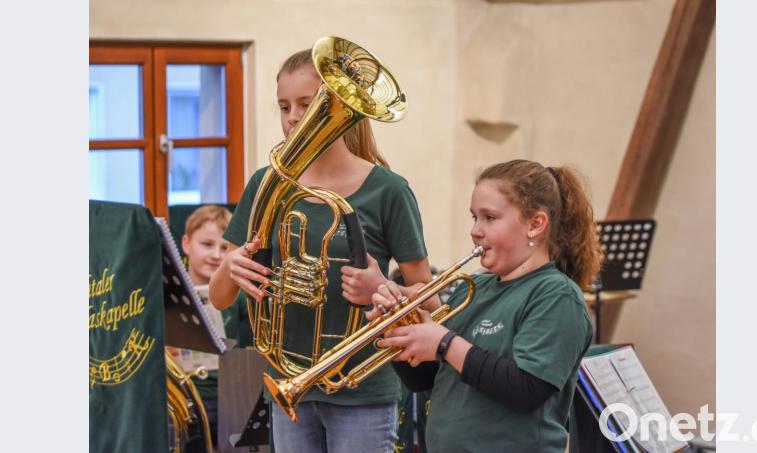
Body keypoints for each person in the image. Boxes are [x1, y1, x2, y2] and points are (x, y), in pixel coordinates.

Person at [209, 48, 438, 453]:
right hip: (289, 383)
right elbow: (219, 296)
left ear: (342, 108)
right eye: (284, 107)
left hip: (362, 389)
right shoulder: (265, 183)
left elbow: (430, 300)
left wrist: (380, 288)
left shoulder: (389, 190)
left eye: (306, 104)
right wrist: (231, 265)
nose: (293, 117)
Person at [374, 160, 601, 452]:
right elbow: (428, 380)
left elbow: (527, 390)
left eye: (490, 218)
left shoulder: (556, 296)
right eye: (474, 217)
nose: (475, 231)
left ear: (535, 224)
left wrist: (444, 343)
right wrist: (398, 331)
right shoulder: (472, 288)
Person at [171, 204, 253, 448]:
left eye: (225, 248)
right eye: (207, 244)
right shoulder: (168, 291)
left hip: (227, 395)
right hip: (183, 394)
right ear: (186, 244)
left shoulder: (239, 296)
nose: (217, 255)